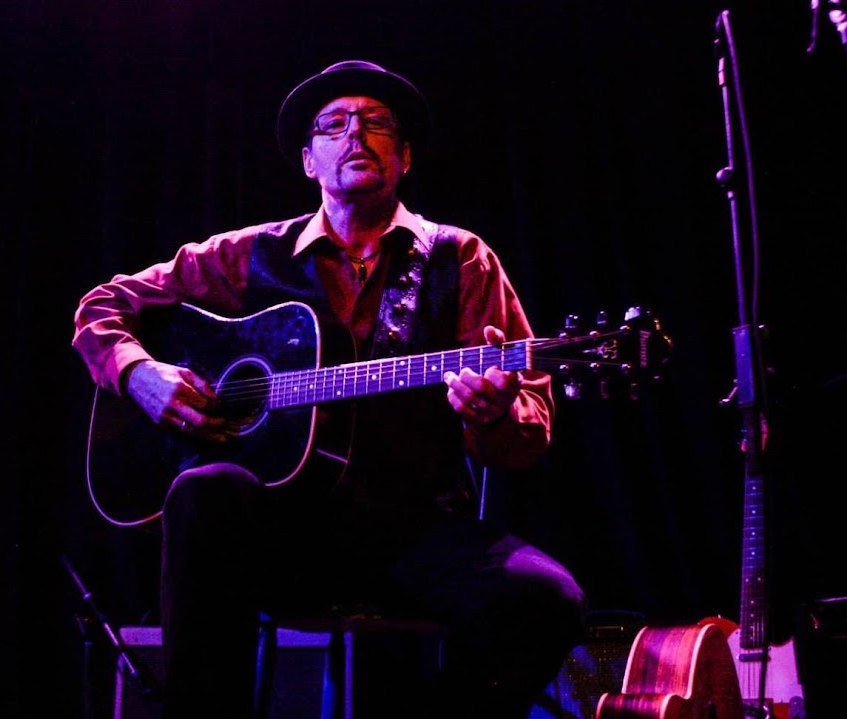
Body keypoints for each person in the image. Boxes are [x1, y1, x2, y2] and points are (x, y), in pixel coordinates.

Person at [72, 59, 587, 719]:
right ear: (309, 161)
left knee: (547, 599)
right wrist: (140, 374)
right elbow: (103, 306)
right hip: (280, 540)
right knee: (205, 490)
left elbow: (528, 432)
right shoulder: (248, 254)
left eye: (377, 124)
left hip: (413, 533)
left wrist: (492, 413)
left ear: (404, 157)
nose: (356, 136)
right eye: (334, 125)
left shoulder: (460, 258)